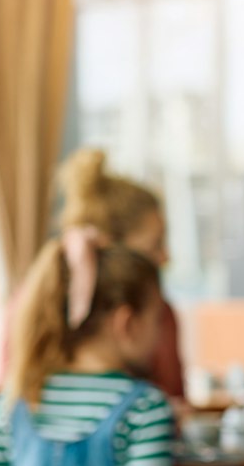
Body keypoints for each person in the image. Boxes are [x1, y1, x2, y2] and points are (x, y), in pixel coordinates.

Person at [0, 233, 174, 466]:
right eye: (157, 318)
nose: (161, 333)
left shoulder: (16, 399)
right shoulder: (146, 408)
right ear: (127, 323)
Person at [52, 148, 185, 399]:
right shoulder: (157, 317)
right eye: (155, 244)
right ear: (111, 250)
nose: (166, 257)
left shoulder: (161, 314)